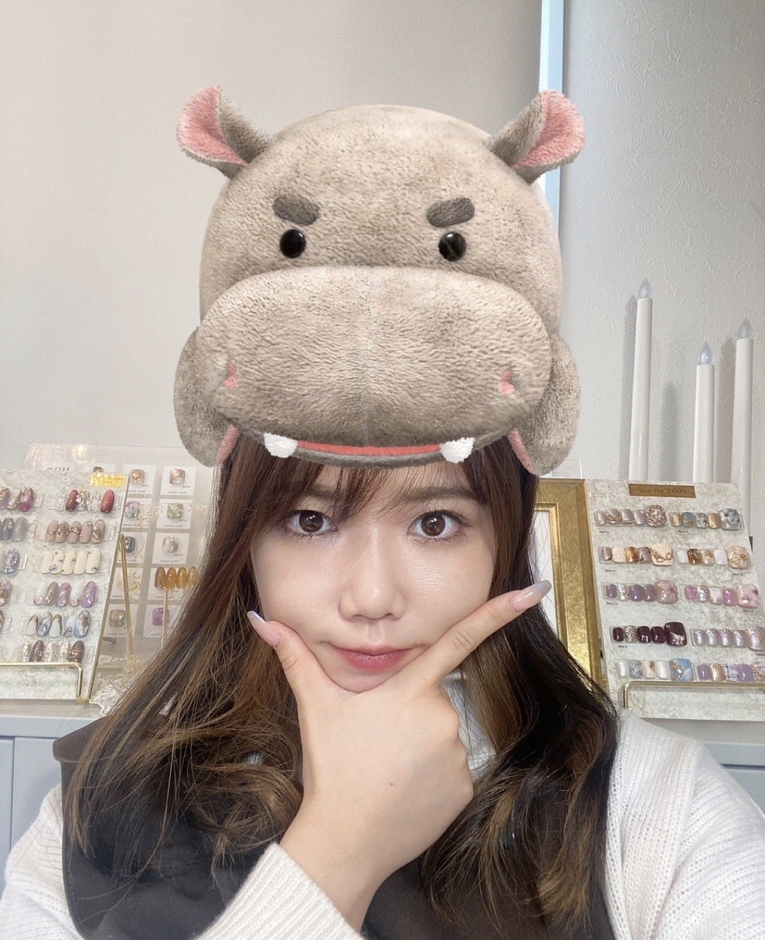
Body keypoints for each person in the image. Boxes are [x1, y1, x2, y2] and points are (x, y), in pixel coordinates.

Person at [2, 88, 765, 938]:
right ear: (242, 537)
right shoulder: (97, 810)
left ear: (506, 535)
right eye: (310, 520)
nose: (371, 597)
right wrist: (339, 855)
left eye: (435, 524)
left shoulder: (657, 815)